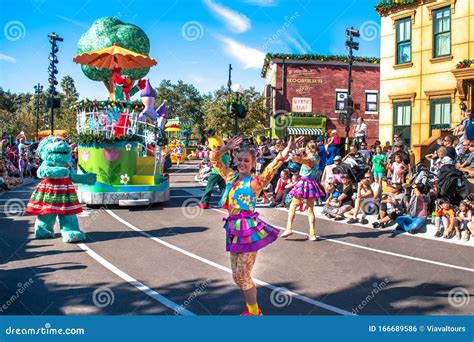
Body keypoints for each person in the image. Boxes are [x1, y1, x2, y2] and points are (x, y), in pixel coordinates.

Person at [210, 135, 299, 316]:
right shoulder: (230, 176)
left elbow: (273, 167)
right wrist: (225, 148)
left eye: (246, 161)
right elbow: (213, 158)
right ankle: (252, 309)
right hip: (233, 229)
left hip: (248, 230)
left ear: (253, 163)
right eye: (240, 160)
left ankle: (254, 313)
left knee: (243, 276)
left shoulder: (256, 182)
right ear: (235, 160)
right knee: (237, 276)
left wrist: (286, 150)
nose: (242, 163)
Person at [282, 140, 325, 241]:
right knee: (310, 210)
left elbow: (301, 160)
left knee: (293, 206)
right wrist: (298, 149)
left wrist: (293, 157)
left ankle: (289, 228)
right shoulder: (317, 158)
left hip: (304, 183)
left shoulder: (309, 160)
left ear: (309, 149)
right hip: (312, 184)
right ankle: (312, 234)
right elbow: (303, 156)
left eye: (306, 148)